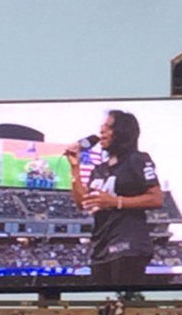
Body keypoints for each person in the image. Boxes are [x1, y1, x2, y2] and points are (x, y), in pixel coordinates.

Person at [66, 110, 164, 286]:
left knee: (124, 299)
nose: (101, 130)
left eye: (108, 126)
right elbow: (83, 203)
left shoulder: (137, 159)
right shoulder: (99, 170)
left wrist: (115, 202)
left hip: (128, 245)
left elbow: (156, 198)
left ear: (122, 132)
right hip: (101, 245)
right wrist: (75, 169)